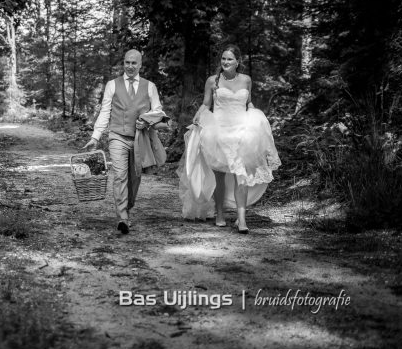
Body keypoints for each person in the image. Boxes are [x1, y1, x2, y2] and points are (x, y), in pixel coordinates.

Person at [178, 44, 281, 233]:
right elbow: (206, 104)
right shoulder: (212, 81)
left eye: (230, 59)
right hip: (218, 130)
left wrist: (256, 117)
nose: (225, 62)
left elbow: (248, 103)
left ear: (238, 62)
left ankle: (242, 220)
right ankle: (219, 213)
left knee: (241, 175)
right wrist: (198, 117)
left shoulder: (246, 80)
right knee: (219, 176)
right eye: (223, 59)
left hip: (241, 131)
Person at [83, 50, 166, 234]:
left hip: (140, 140)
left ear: (140, 65)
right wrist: (95, 137)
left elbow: (158, 111)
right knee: (120, 175)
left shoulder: (150, 86)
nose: (129, 66)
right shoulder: (112, 85)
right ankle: (123, 217)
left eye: (133, 63)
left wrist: (146, 120)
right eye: (127, 62)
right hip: (117, 137)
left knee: (135, 178)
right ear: (123, 63)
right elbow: (105, 112)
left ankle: (127, 208)